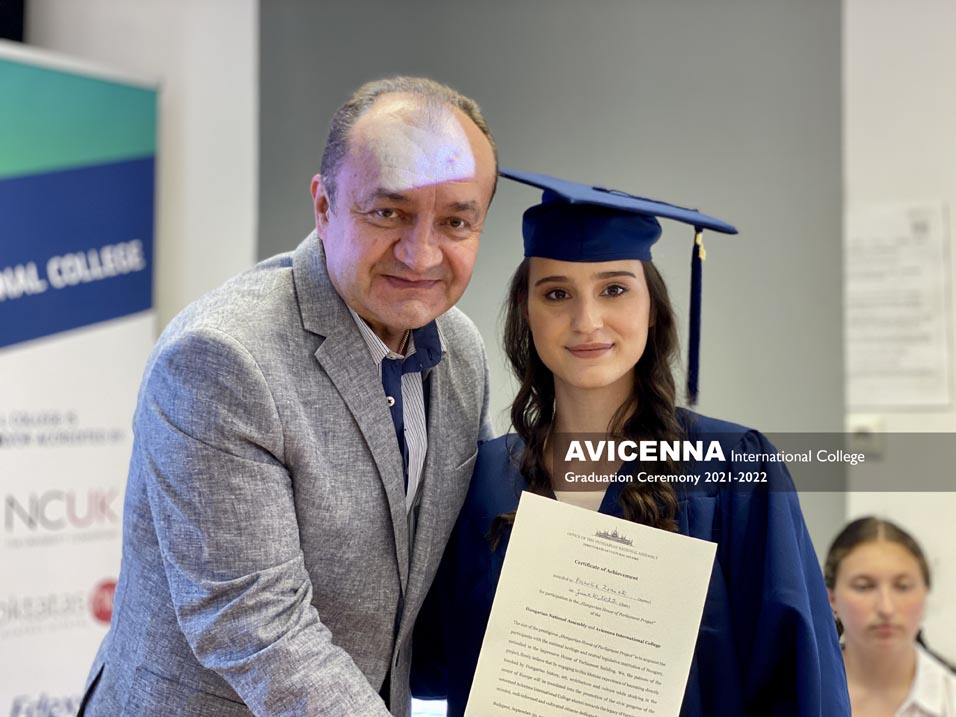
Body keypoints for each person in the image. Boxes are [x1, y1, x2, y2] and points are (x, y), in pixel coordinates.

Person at [78, 77, 498, 717]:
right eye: (388, 213)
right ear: (324, 206)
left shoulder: (460, 349)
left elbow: (455, 563)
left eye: (455, 222)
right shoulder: (222, 358)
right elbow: (257, 626)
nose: (420, 254)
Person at [412, 169, 850, 716]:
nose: (586, 320)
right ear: (527, 310)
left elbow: (803, 683)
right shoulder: (482, 480)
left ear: (652, 306)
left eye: (614, 289)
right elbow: (433, 667)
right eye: (556, 294)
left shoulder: (734, 468)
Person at [826, 517, 956, 716]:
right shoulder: (796, 695)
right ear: (831, 598)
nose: (886, 608)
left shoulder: (950, 698)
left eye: (902, 586)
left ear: (925, 592)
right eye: (864, 586)